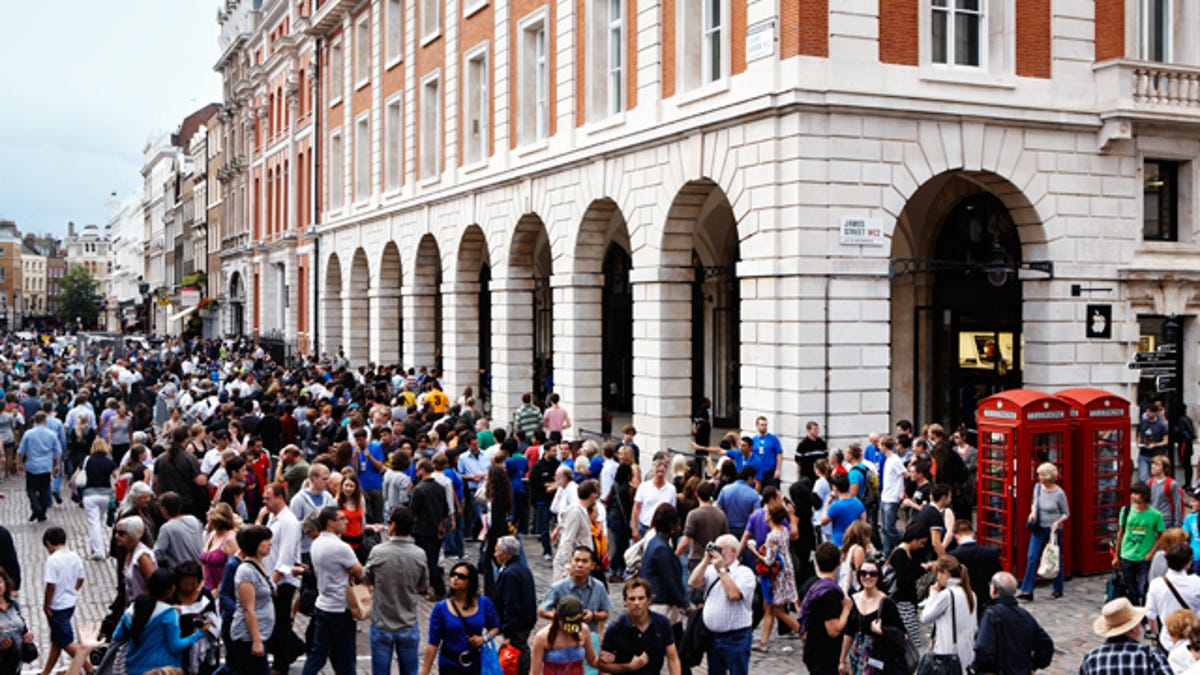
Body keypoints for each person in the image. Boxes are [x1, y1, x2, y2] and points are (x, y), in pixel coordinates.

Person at [365, 505, 428, 675]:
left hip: (382, 621)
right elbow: (423, 586)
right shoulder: (419, 554)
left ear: (392, 526)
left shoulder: (378, 552)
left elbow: (367, 579)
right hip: (407, 621)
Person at [302, 506, 365, 675]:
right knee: (346, 655)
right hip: (340, 607)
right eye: (341, 518)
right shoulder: (341, 547)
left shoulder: (316, 543)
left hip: (323, 604)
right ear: (330, 523)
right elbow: (361, 573)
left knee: (318, 653)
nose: (346, 521)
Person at [113, 569, 208, 675]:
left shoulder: (133, 609)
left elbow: (117, 636)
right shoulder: (169, 614)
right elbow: (175, 646)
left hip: (134, 668)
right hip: (162, 669)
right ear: (170, 589)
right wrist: (199, 634)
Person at [687, 534, 753, 675]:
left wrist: (722, 570)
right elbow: (693, 582)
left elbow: (734, 594)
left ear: (733, 552)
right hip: (713, 636)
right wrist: (706, 560)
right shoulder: (711, 570)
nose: (717, 553)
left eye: (720, 549)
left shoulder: (745, 573)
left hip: (736, 638)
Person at [420, 561, 500, 675]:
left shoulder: (484, 603)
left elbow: (495, 627)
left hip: (475, 664)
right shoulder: (441, 608)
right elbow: (433, 643)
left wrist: (483, 639)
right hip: (450, 665)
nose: (455, 578)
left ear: (470, 582)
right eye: (453, 574)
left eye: (461, 576)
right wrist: (425, 672)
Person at [540, 547, 611, 672]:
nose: (580, 565)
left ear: (592, 566)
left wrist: (593, 615)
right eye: (577, 560)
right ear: (571, 562)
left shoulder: (599, 587)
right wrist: (562, 617)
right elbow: (542, 610)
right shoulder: (558, 587)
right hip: (565, 640)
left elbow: (605, 613)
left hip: (591, 640)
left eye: (584, 561)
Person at [970, 572, 1055, 675]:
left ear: (994, 590)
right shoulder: (1025, 615)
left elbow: (984, 650)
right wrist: (1033, 665)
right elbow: (1046, 645)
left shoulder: (991, 615)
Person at [260, 482, 303, 674]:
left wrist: (274, 580)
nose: (265, 501)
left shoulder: (289, 521)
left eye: (268, 498)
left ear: (280, 497)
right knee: (276, 620)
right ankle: (294, 647)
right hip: (272, 577)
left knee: (280, 622)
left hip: (282, 581)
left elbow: (286, 555)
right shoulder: (272, 517)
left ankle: (281, 663)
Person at [838, 557, 907, 675]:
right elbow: (849, 632)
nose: (867, 577)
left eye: (872, 574)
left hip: (878, 659)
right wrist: (842, 661)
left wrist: (882, 631)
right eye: (863, 573)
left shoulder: (886, 602)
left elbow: (903, 635)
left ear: (878, 576)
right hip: (856, 658)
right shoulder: (854, 599)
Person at [748, 503, 801, 652]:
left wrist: (753, 550)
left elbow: (769, 561)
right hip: (785, 573)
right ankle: (763, 642)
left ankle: (804, 634)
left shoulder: (772, 536)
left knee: (777, 610)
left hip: (777, 577)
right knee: (769, 608)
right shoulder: (783, 530)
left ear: (770, 516)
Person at [1017, 462, 1069, 601]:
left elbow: (1066, 513)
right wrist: (1032, 513)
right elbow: (1035, 502)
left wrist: (1058, 523)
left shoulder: (1059, 493)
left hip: (1053, 530)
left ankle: (1057, 589)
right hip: (1038, 527)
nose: (1038, 477)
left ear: (1047, 476)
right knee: (1032, 557)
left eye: (1040, 475)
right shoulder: (1038, 487)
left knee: (1054, 558)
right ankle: (1027, 591)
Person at [1079, 597, 1172, 674]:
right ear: (1133, 628)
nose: (1142, 627)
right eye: (1140, 623)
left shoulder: (1091, 658)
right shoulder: (1151, 655)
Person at [800, 542, 853, 675]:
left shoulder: (809, 584)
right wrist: (846, 609)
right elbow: (833, 630)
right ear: (839, 563)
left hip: (812, 647)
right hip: (825, 653)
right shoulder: (830, 592)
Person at [229, 525, 275, 675]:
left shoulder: (261, 564)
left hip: (262, 632)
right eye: (266, 540)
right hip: (248, 636)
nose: (270, 543)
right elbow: (248, 609)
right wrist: (256, 641)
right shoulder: (246, 571)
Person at [39, 527, 85, 675]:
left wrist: (46, 605)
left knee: (65, 641)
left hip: (57, 605)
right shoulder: (74, 556)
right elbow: (80, 579)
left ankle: (88, 667)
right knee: (57, 640)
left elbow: (51, 585)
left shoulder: (53, 560)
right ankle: (46, 671)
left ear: (48, 543)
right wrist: (72, 590)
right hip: (69, 603)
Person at [919, 556, 977, 673]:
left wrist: (933, 592)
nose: (937, 578)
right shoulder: (971, 594)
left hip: (947, 652)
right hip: (967, 651)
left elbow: (925, 617)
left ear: (945, 573)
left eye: (938, 574)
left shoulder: (947, 595)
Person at [639, 505, 686, 638]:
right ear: (671, 526)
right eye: (678, 525)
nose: (679, 528)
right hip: (661, 604)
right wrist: (684, 604)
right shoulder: (661, 548)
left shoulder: (657, 542)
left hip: (662, 603)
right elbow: (668, 580)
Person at [1116, 481, 1166, 607]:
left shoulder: (1155, 515)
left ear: (1145, 496)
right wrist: (1116, 556)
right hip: (1127, 554)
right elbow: (1120, 533)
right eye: (1132, 493)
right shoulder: (1126, 510)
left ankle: (1145, 613)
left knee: (1143, 588)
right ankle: (1135, 614)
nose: (1133, 496)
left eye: (1136, 493)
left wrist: (1151, 552)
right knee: (1130, 589)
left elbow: (1161, 536)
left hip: (1145, 557)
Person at [495, 536, 537, 675]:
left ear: (505, 553)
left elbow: (510, 603)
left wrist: (507, 630)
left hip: (516, 626)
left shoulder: (510, 573)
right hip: (525, 623)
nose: (495, 554)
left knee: (514, 658)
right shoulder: (522, 568)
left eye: (497, 551)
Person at [884, 523, 930, 650]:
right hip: (902, 603)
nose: (922, 546)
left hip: (906, 602)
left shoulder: (907, 552)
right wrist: (921, 570)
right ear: (914, 539)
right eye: (921, 542)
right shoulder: (900, 554)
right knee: (911, 641)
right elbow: (903, 581)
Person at [1146, 543, 1200, 650]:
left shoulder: (1156, 584)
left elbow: (1151, 617)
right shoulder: (1197, 583)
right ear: (1188, 563)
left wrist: (1156, 636)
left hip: (1168, 639)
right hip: (1194, 639)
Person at [947, 520, 1002, 622]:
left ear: (956, 536)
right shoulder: (990, 553)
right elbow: (998, 578)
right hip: (984, 599)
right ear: (973, 534)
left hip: (961, 600)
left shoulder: (953, 556)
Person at [411, 459, 450, 598]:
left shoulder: (419, 489)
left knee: (429, 561)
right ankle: (429, 586)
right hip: (437, 529)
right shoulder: (440, 487)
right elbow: (445, 511)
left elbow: (413, 511)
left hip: (422, 529)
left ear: (422, 470)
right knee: (432, 559)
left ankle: (439, 589)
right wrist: (443, 526)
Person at [17, 411, 61, 522]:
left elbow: (21, 450)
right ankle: (42, 513)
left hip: (32, 465)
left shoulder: (29, 433)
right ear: (45, 420)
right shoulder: (52, 434)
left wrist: (19, 463)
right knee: (44, 489)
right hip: (46, 465)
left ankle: (35, 506)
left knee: (31, 489)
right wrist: (57, 465)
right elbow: (57, 451)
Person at [81, 438, 118, 561]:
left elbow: (76, 476)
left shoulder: (88, 460)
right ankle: (94, 547)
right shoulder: (109, 462)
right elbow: (117, 477)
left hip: (90, 494)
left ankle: (98, 551)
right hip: (105, 495)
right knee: (99, 521)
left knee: (94, 523)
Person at [554, 480, 598, 580]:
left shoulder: (582, 510)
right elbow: (567, 539)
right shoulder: (575, 511)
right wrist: (567, 565)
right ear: (592, 495)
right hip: (573, 563)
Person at [154, 492, 205, 572]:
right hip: (201, 568)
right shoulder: (193, 519)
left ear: (163, 509)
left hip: (183, 573)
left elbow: (157, 554)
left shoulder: (167, 528)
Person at [630, 460, 676, 540]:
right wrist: (634, 529)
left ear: (666, 471)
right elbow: (636, 508)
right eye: (657, 471)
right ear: (653, 471)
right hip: (644, 528)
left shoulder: (671, 489)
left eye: (662, 471)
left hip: (662, 531)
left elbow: (672, 510)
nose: (660, 474)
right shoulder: (644, 486)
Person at [0, 568, 34, 675]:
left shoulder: (14, 604)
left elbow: (20, 625)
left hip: (14, 664)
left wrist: (27, 635)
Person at [116, 516, 158, 601]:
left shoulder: (142, 557)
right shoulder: (129, 552)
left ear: (132, 535)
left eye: (121, 533)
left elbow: (153, 584)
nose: (116, 536)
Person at [820, 473, 866, 547]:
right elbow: (864, 520)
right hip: (855, 542)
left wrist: (827, 504)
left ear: (835, 488)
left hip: (839, 542)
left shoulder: (835, 506)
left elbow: (823, 521)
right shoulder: (857, 502)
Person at [877, 436, 905, 557]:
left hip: (892, 497)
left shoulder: (895, 460)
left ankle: (904, 544)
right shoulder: (889, 459)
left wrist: (901, 492)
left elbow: (904, 474)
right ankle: (887, 553)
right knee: (884, 528)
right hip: (885, 496)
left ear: (884, 446)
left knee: (889, 527)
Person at [1150, 455, 1186, 530]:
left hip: (1165, 520)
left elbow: (1177, 504)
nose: (1153, 466)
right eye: (1153, 464)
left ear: (1164, 468)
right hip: (1152, 519)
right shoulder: (1150, 482)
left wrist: (1177, 524)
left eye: (1157, 464)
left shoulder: (1172, 484)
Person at [1139, 406, 1171, 482]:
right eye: (1146, 411)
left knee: (1156, 478)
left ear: (1155, 413)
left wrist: (1155, 445)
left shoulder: (1161, 426)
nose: (1147, 414)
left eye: (1149, 412)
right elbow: (1139, 435)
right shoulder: (1142, 424)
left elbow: (1166, 441)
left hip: (1156, 456)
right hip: (1143, 454)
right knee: (1142, 478)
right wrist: (1139, 443)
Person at [751, 416, 783, 487]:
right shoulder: (753, 440)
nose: (764, 427)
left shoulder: (773, 439)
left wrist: (778, 469)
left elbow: (779, 454)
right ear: (757, 426)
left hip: (770, 471)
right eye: (762, 425)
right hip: (758, 472)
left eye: (765, 425)